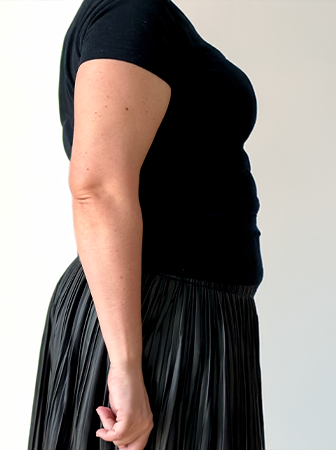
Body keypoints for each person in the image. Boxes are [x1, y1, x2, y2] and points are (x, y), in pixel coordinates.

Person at [28, 0, 266, 448]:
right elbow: (97, 188)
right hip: (159, 317)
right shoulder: (132, 13)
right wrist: (125, 366)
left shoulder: (143, 15)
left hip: (181, 314)